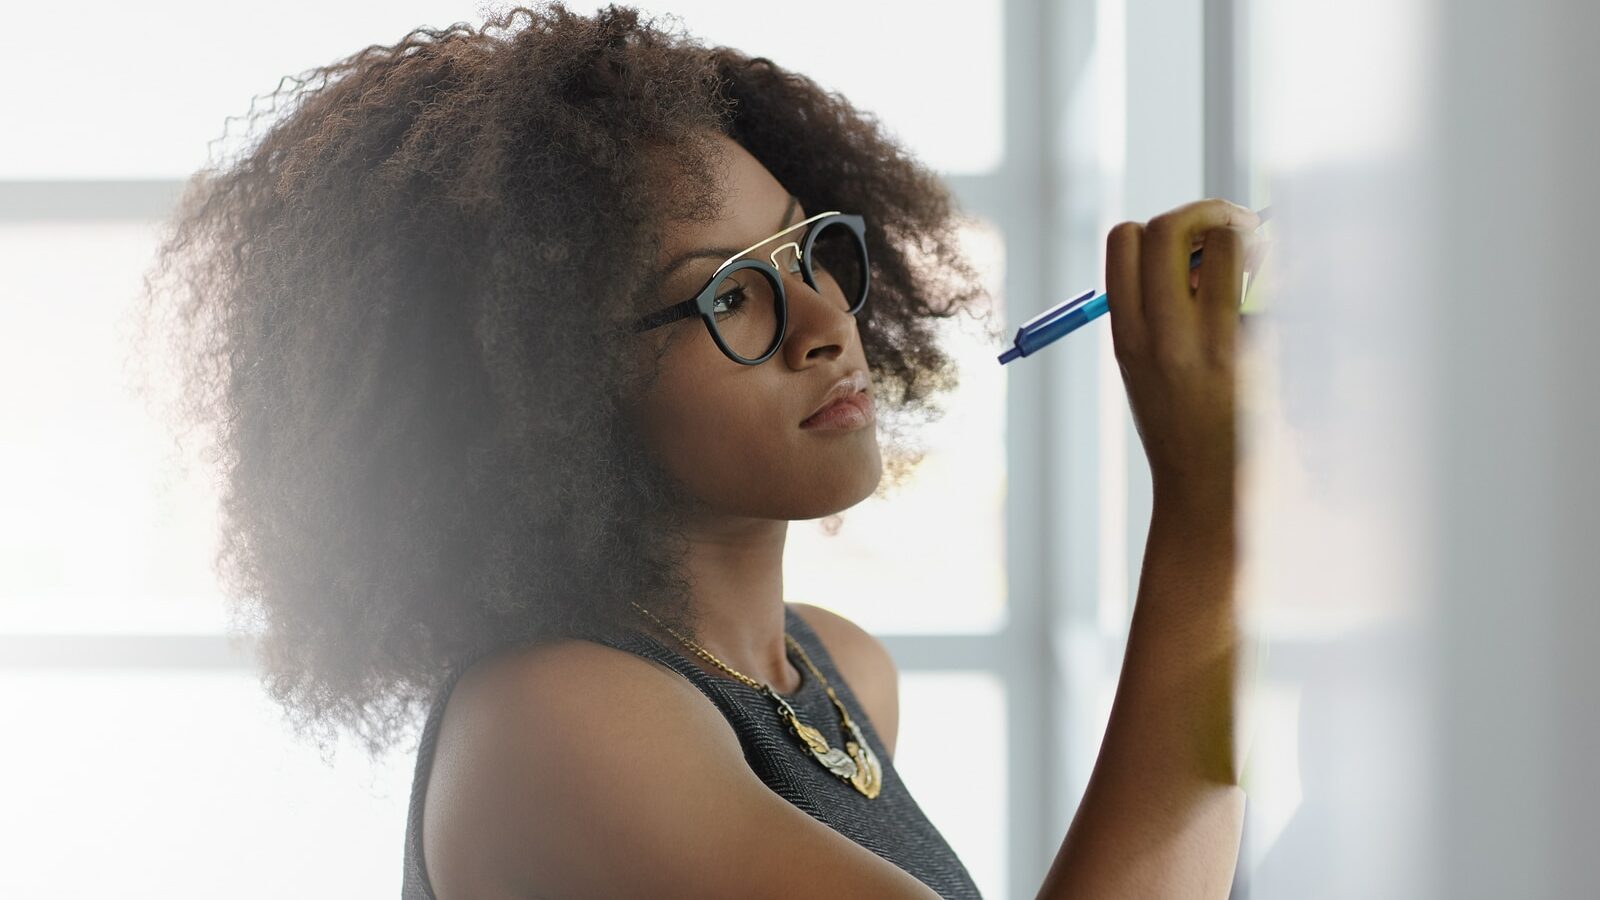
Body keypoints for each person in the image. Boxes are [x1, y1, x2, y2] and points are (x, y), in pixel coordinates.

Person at [138, 3, 1261, 897]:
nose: (825, 320)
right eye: (729, 295)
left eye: (807, 245)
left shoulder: (836, 674)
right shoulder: (558, 724)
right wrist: (1206, 512)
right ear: (548, 392)